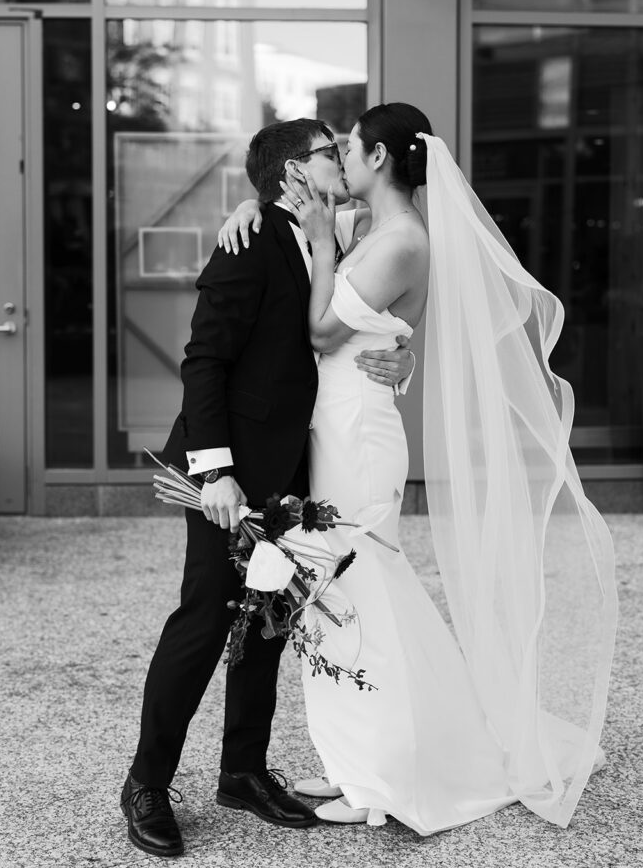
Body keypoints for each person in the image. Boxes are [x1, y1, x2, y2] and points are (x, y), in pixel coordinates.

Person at [219, 102, 618, 834]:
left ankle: (389, 777)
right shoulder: (364, 228)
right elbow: (374, 319)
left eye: (349, 148)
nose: (340, 158)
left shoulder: (400, 239)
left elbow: (320, 328)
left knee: (361, 586)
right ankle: (356, 762)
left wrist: (319, 241)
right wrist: (254, 204)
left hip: (360, 440)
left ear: (378, 159)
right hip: (334, 428)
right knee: (333, 593)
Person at [120, 118, 414, 857]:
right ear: (291, 170)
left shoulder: (336, 231)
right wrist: (214, 470)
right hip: (233, 473)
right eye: (327, 152)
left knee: (268, 625)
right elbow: (202, 362)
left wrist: (399, 359)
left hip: (297, 468)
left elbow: (366, 315)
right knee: (206, 620)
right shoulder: (246, 243)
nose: (339, 162)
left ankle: (242, 772)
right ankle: (146, 783)